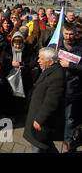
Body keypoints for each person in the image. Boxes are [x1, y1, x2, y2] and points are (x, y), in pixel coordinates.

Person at [23, 47, 65, 153]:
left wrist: (39, 120)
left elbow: (52, 102)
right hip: (37, 114)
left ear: (50, 61)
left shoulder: (57, 76)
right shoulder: (49, 70)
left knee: (38, 144)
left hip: (40, 120)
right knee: (45, 144)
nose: (38, 61)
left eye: (41, 59)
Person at [57, 23, 82, 153]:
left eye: (71, 34)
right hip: (57, 86)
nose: (68, 36)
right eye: (66, 34)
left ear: (75, 33)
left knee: (70, 117)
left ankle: (68, 140)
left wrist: (70, 65)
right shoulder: (57, 44)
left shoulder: (80, 47)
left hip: (73, 88)